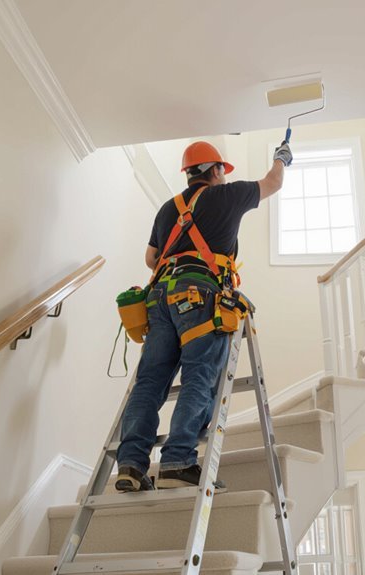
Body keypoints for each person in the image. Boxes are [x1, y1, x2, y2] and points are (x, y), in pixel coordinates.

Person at [115, 139, 293, 492]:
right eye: (222, 172)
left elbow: (151, 259)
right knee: (200, 374)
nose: (224, 178)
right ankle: (177, 461)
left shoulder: (169, 208)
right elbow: (273, 183)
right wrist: (280, 159)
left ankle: (131, 464)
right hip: (198, 296)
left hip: (159, 299)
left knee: (150, 381)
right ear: (214, 170)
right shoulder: (226, 196)